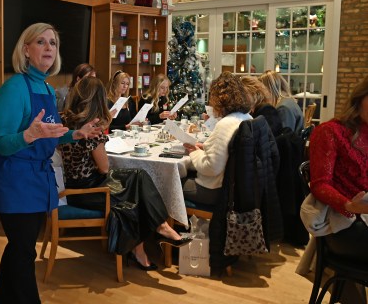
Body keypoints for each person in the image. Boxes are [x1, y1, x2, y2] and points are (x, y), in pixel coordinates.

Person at [0, 23, 102, 304]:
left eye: (53, 43)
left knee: (21, 249)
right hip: (15, 181)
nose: (49, 48)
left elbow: (48, 137)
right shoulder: (14, 88)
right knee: (23, 249)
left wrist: (76, 134)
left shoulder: (48, 90)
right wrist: (28, 135)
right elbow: (2, 143)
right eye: (41, 42)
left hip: (39, 180)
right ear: (26, 50)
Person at [60, 77, 191, 271]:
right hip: (86, 191)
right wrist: (103, 134)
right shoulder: (90, 128)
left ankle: (159, 231)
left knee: (139, 176)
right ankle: (152, 237)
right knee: (136, 190)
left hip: (80, 183)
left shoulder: (66, 119)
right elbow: (104, 168)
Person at [309, 74, 368, 262]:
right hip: (345, 225)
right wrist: (349, 205)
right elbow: (319, 185)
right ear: (360, 98)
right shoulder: (330, 132)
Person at [183, 72, 253, 205]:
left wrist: (194, 152)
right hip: (239, 189)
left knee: (169, 183)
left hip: (215, 190)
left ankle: (170, 224)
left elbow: (211, 168)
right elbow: (227, 151)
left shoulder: (226, 124)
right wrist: (206, 148)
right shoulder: (247, 118)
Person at [259, 70, 304, 134]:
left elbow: (284, 138)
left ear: (269, 89)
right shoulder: (288, 100)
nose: (261, 94)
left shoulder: (283, 108)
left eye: (261, 90)